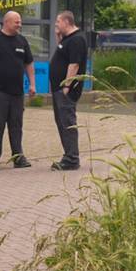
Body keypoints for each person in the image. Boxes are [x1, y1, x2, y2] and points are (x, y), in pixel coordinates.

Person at [0, 11, 36, 169]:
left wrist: (32, 84)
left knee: (16, 126)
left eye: (20, 22)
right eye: (17, 22)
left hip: (17, 93)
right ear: (7, 22)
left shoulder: (22, 41)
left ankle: (18, 157)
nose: (20, 25)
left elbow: (29, 63)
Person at [49, 11, 88, 171]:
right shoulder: (67, 39)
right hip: (58, 89)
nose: (56, 24)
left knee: (67, 123)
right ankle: (68, 155)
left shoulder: (77, 39)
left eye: (58, 21)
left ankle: (72, 158)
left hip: (66, 91)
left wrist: (66, 85)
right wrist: (58, 36)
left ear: (66, 21)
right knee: (61, 122)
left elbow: (74, 64)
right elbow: (61, 53)